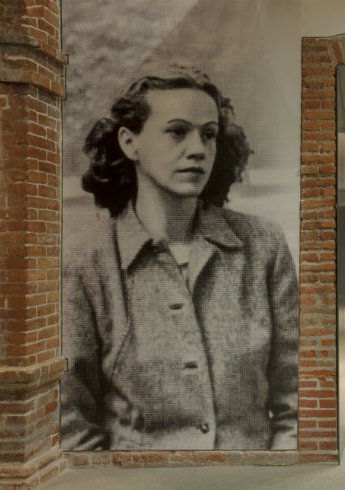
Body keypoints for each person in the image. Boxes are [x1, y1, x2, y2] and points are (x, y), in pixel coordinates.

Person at [62, 64, 299, 451]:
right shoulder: (86, 265)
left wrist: (278, 470)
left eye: (209, 134)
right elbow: (70, 421)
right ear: (129, 143)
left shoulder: (263, 246)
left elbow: (297, 398)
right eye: (177, 132)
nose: (198, 149)